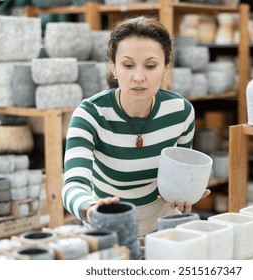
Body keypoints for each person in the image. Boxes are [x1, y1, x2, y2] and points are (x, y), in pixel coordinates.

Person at [62, 15, 210, 236]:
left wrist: (185, 192)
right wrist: (90, 208)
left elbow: (176, 175)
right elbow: (73, 184)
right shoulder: (90, 114)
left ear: (166, 68)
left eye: (150, 66)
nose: (138, 77)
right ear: (113, 67)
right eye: (128, 65)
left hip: (163, 228)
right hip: (107, 224)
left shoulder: (181, 112)